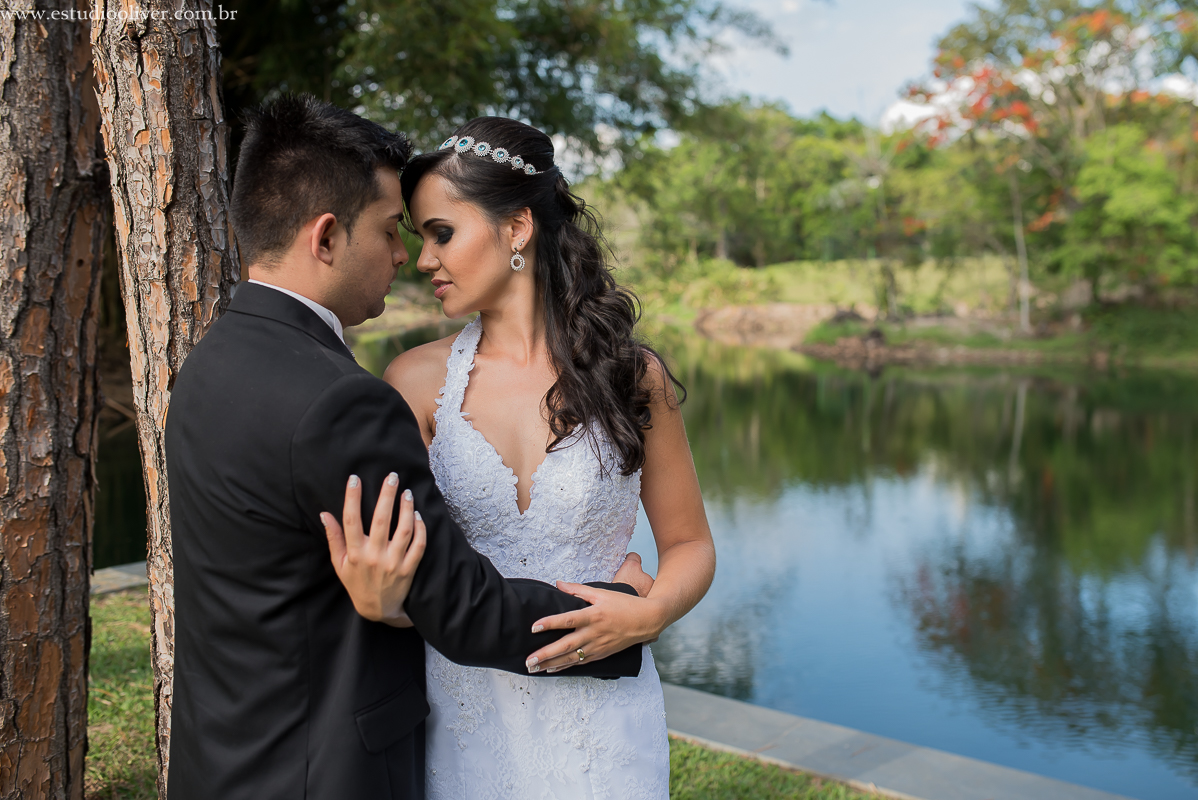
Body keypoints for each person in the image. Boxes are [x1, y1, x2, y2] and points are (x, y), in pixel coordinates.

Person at [164, 95, 655, 800]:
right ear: (325, 238)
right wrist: (622, 614)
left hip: (224, 759)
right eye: (390, 229)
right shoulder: (340, 400)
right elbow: (464, 609)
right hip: (319, 771)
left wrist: (389, 603)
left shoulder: (210, 365)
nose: (406, 256)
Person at [380, 117, 717, 799]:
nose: (422, 261)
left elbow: (690, 544)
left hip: (605, 723)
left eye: (441, 233)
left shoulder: (632, 376)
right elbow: (404, 568)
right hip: (465, 713)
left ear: (517, 228)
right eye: (418, 239)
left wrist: (652, 613)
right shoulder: (414, 382)